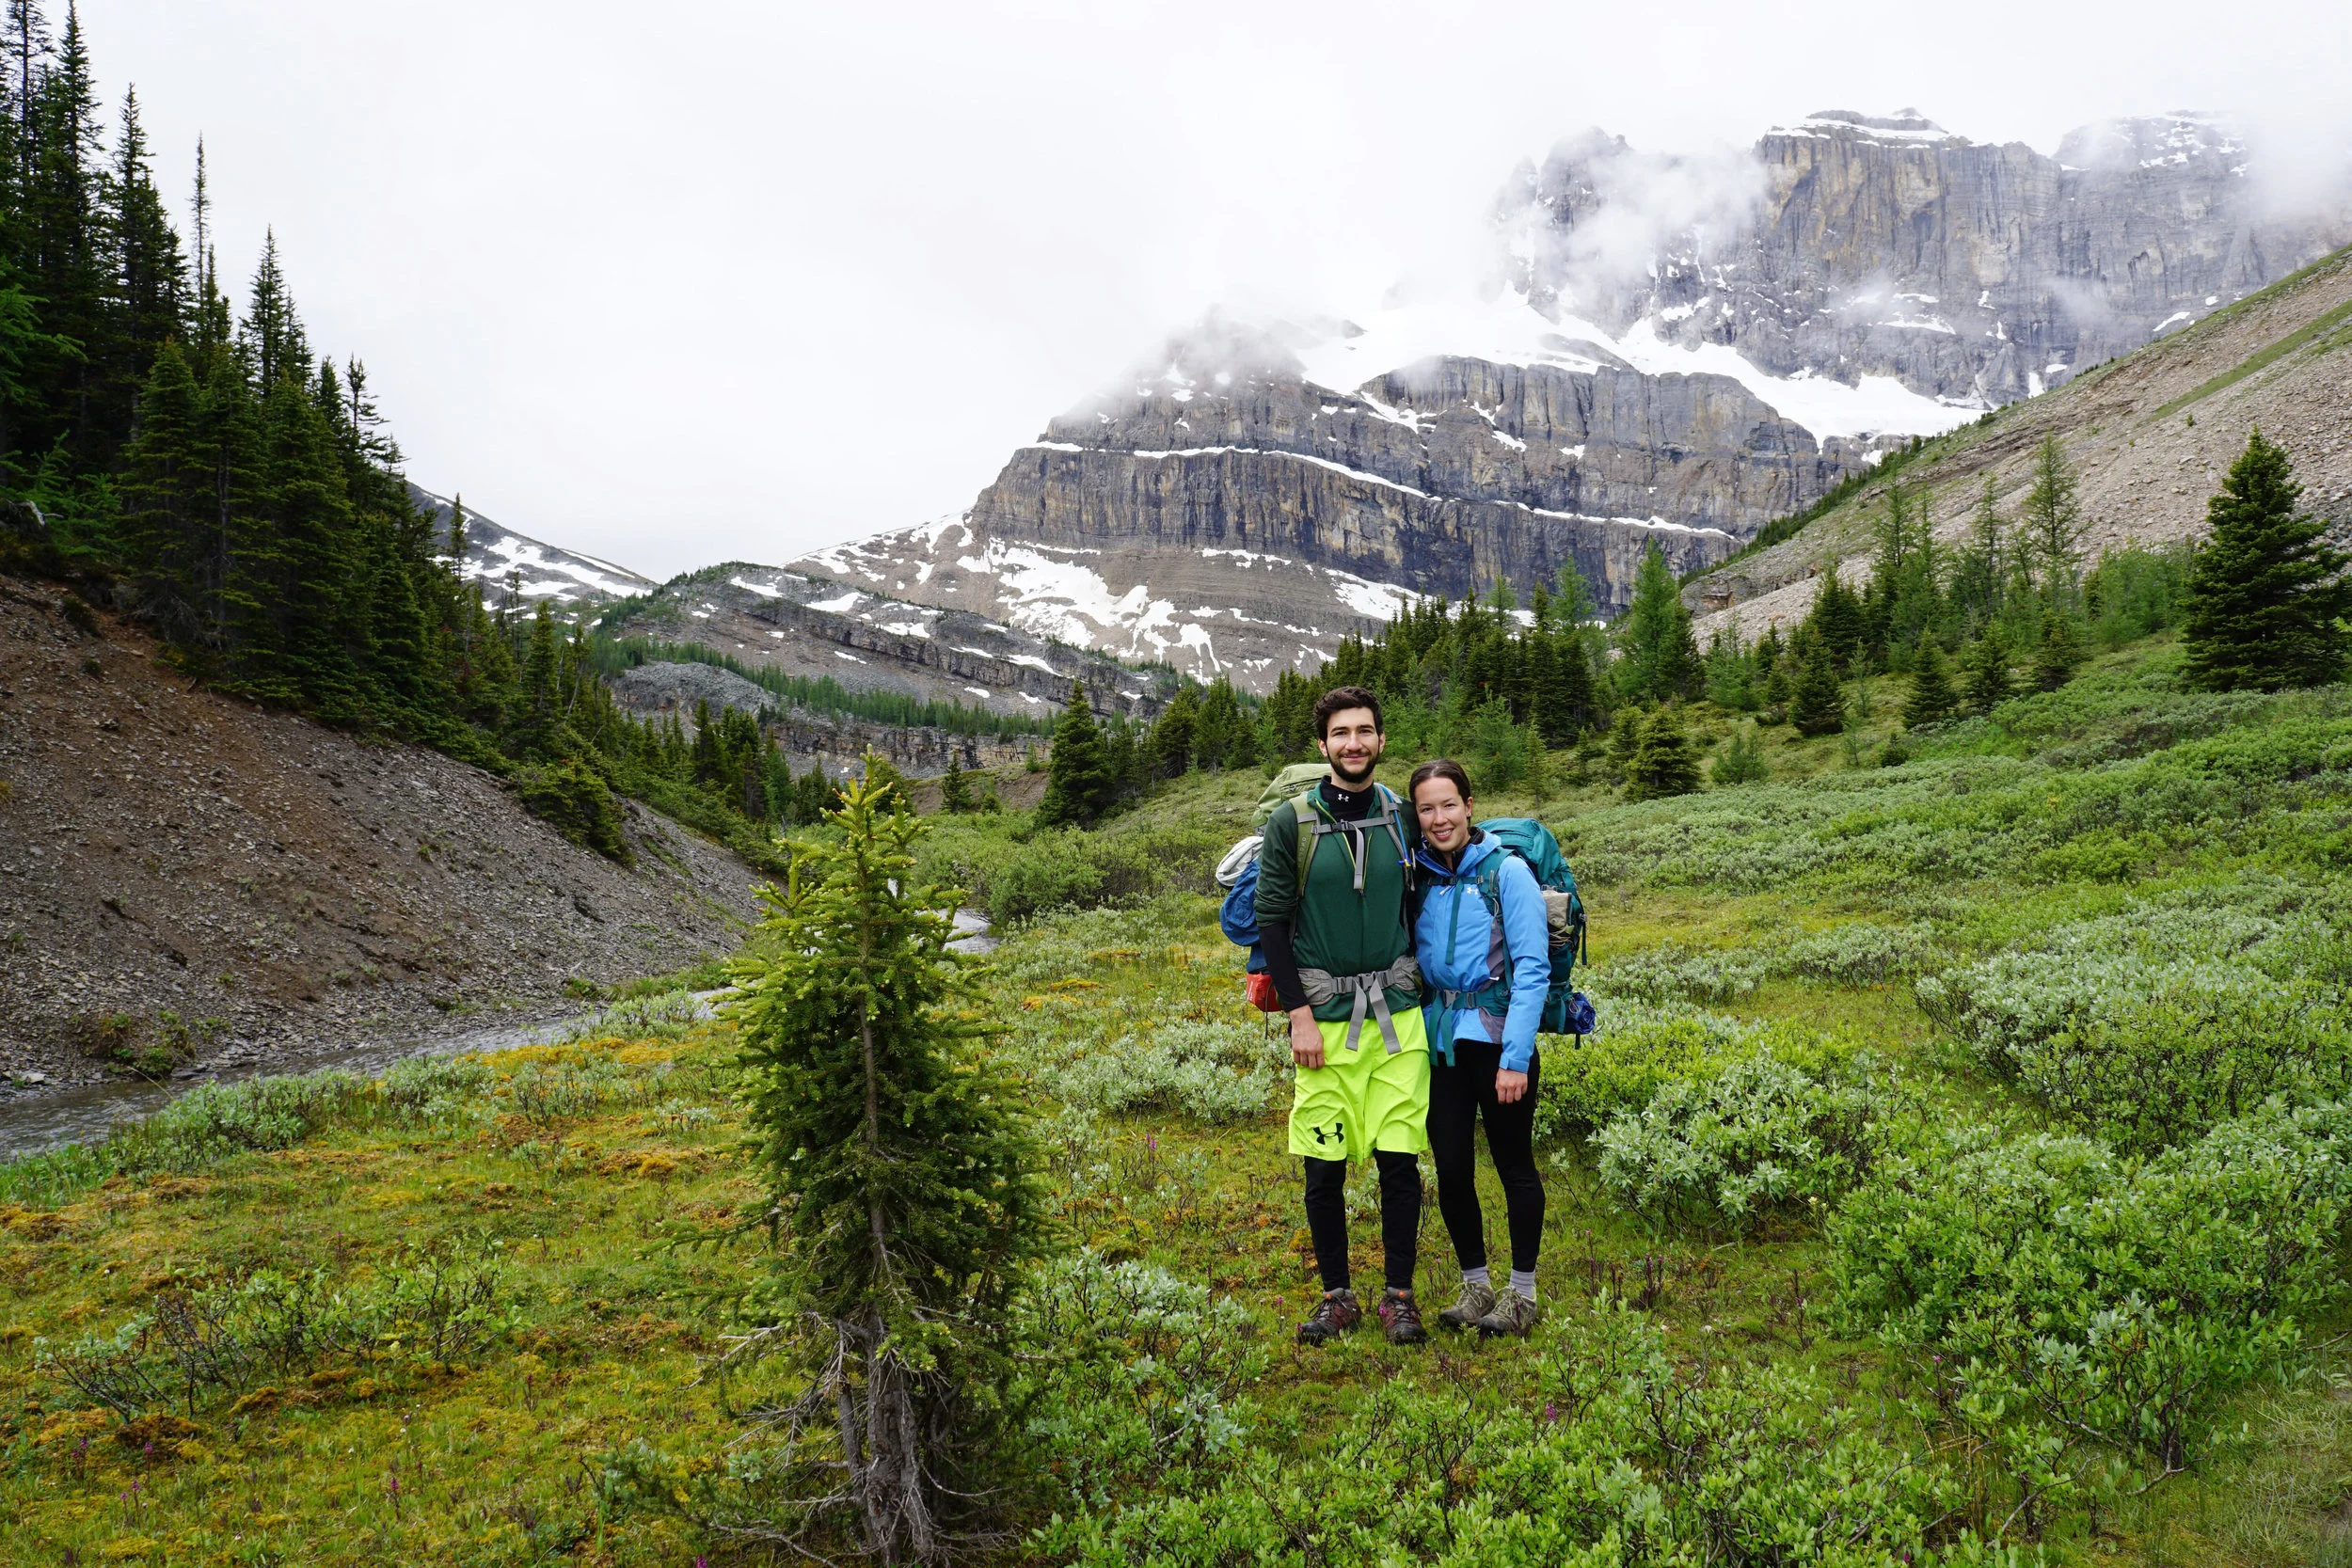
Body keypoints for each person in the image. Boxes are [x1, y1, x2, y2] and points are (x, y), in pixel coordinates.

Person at [1254, 685, 1431, 1346]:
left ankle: (1399, 1297)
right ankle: (1336, 1296)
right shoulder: (1290, 822)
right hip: (1323, 1022)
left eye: (1364, 731)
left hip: (1399, 1018)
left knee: (1398, 1162)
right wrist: (1298, 1012)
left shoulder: (1401, 815)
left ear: (1381, 740)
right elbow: (1271, 921)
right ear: (1322, 744)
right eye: (1340, 733)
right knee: (1323, 1168)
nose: (1353, 743)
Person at [1407, 757, 1549, 1338]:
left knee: (1514, 1165)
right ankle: (1475, 1286)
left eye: (1448, 805)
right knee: (1452, 1169)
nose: (1439, 818)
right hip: (1440, 1047)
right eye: (1426, 808)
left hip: (1497, 1046)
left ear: (1469, 806)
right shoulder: (1419, 875)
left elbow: (1533, 968)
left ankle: (1522, 1294)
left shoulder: (1507, 873)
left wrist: (1515, 1059)